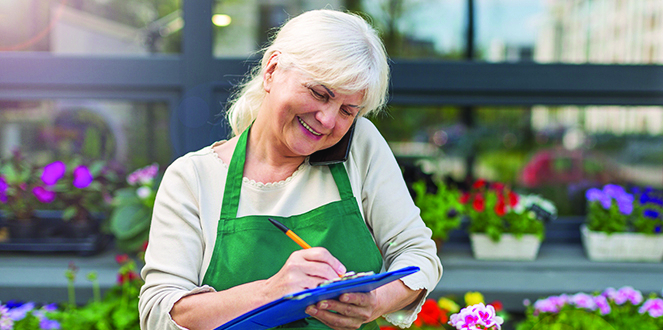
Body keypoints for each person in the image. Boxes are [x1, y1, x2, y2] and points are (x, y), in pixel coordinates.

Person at [138, 9, 442, 330]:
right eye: (319, 93)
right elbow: (159, 313)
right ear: (271, 70)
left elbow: (419, 256)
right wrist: (272, 292)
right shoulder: (192, 179)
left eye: (347, 110)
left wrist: (375, 302)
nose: (327, 119)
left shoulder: (359, 146)